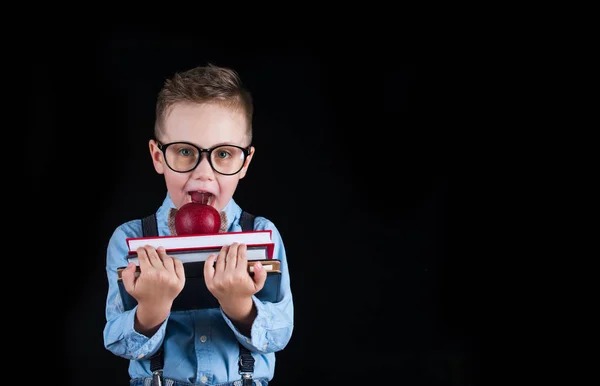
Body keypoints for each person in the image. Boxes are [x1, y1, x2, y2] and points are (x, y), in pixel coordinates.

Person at [103, 64, 294, 386]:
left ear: (244, 162)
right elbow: (118, 342)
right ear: (158, 156)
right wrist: (152, 307)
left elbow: (278, 335)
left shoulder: (262, 234)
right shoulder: (132, 239)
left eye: (223, 154)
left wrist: (239, 305)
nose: (203, 173)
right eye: (185, 151)